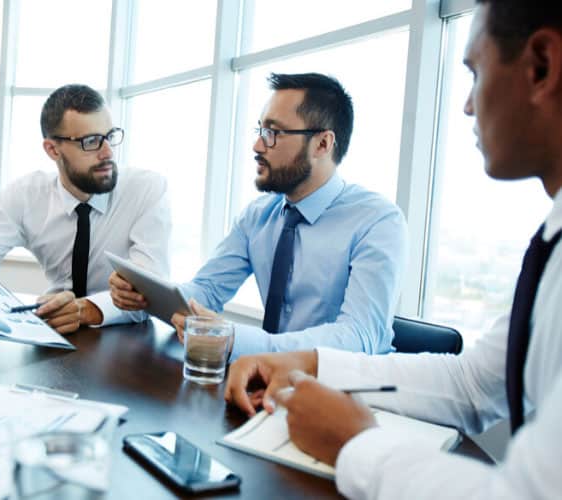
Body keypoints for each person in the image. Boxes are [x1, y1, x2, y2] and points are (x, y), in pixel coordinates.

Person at [225, 2, 562, 497]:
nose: (468, 105)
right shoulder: (551, 243)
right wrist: (311, 363)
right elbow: (473, 384)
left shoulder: (377, 217)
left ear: (541, 66)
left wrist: (355, 444)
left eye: (474, 73)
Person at [111, 73, 408, 360]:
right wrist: (147, 295)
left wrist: (233, 339)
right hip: (270, 383)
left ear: (322, 144)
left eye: (273, 133)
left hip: (348, 391)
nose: (257, 146)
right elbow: (207, 289)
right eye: (260, 131)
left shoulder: (378, 221)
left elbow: (359, 338)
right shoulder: (258, 215)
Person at [0, 84, 171, 334]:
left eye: (110, 136)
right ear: (52, 149)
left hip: (126, 340)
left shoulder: (146, 189)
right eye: (91, 141)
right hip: (52, 326)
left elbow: (150, 290)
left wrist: (86, 309)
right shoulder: (25, 194)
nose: (107, 152)